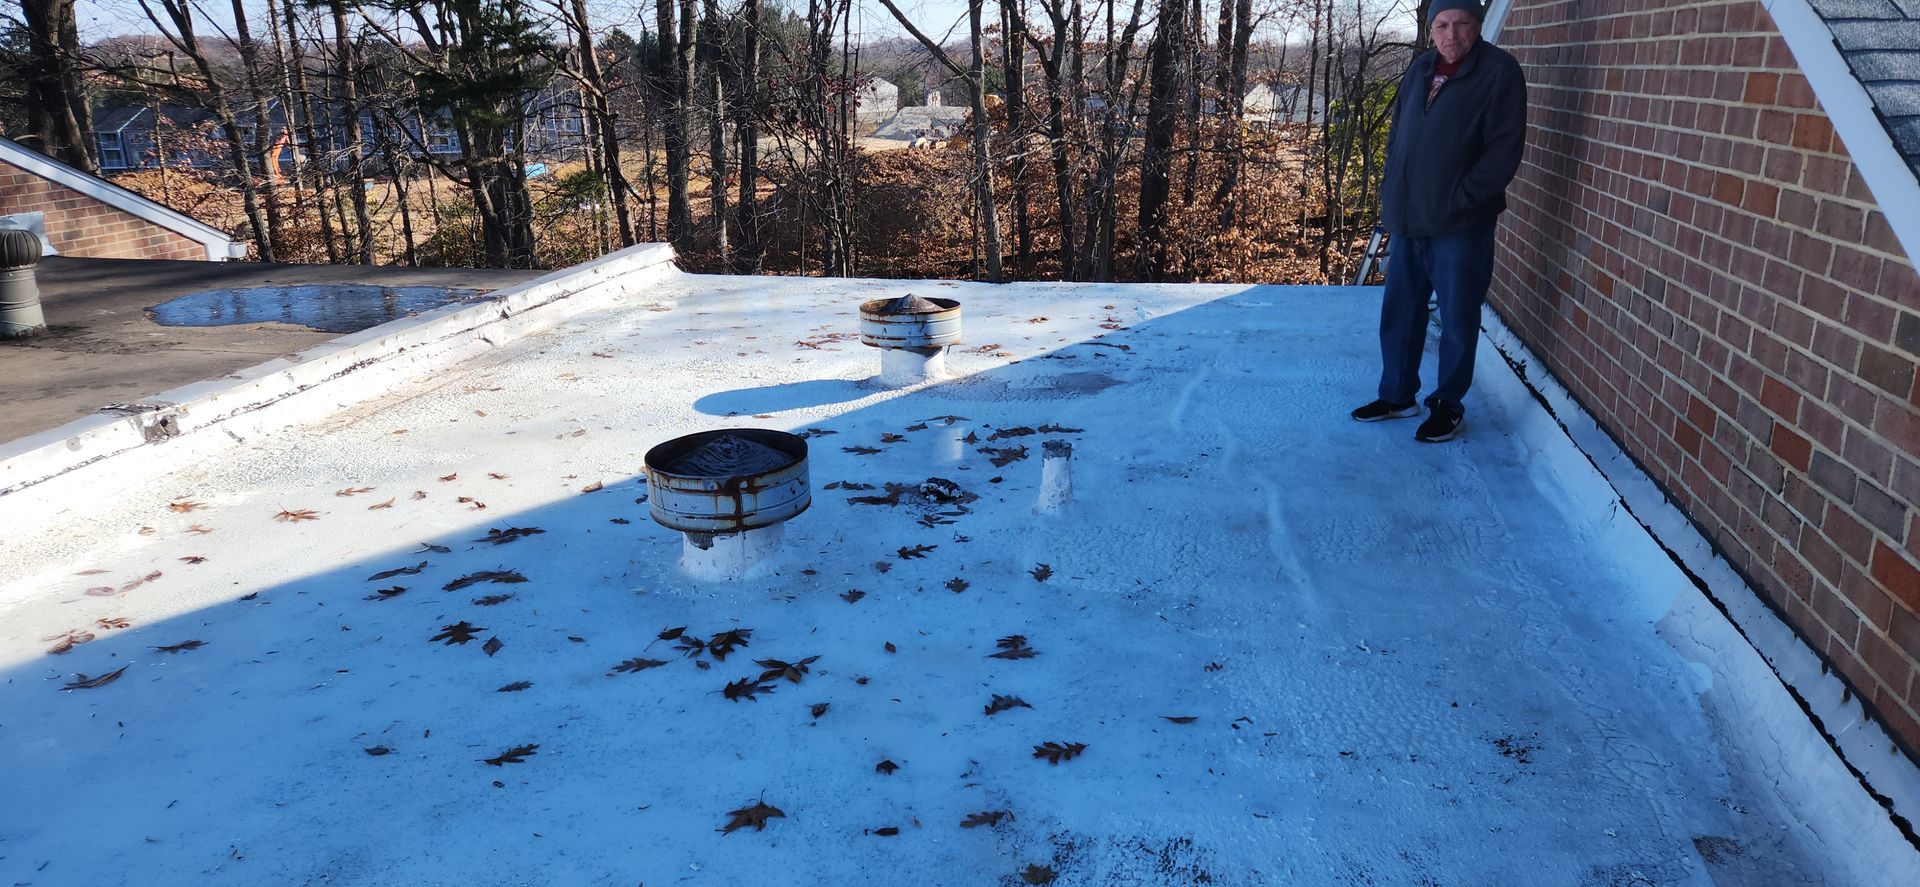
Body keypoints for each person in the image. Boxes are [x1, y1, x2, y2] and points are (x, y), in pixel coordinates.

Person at [1350, 0, 1527, 443]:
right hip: (1410, 217)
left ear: (1477, 25)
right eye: (1442, 25)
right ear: (1431, 30)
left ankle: (1448, 404)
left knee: (1457, 318)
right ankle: (1397, 396)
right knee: (1401, 312)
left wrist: (1460, 200)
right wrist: (1393, 191)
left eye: (1461, 24)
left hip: (1460, 224)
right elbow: (1398, 134)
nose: (1452, 34)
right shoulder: (1421, 69)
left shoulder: (1499, 72)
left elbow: (1503, 151)